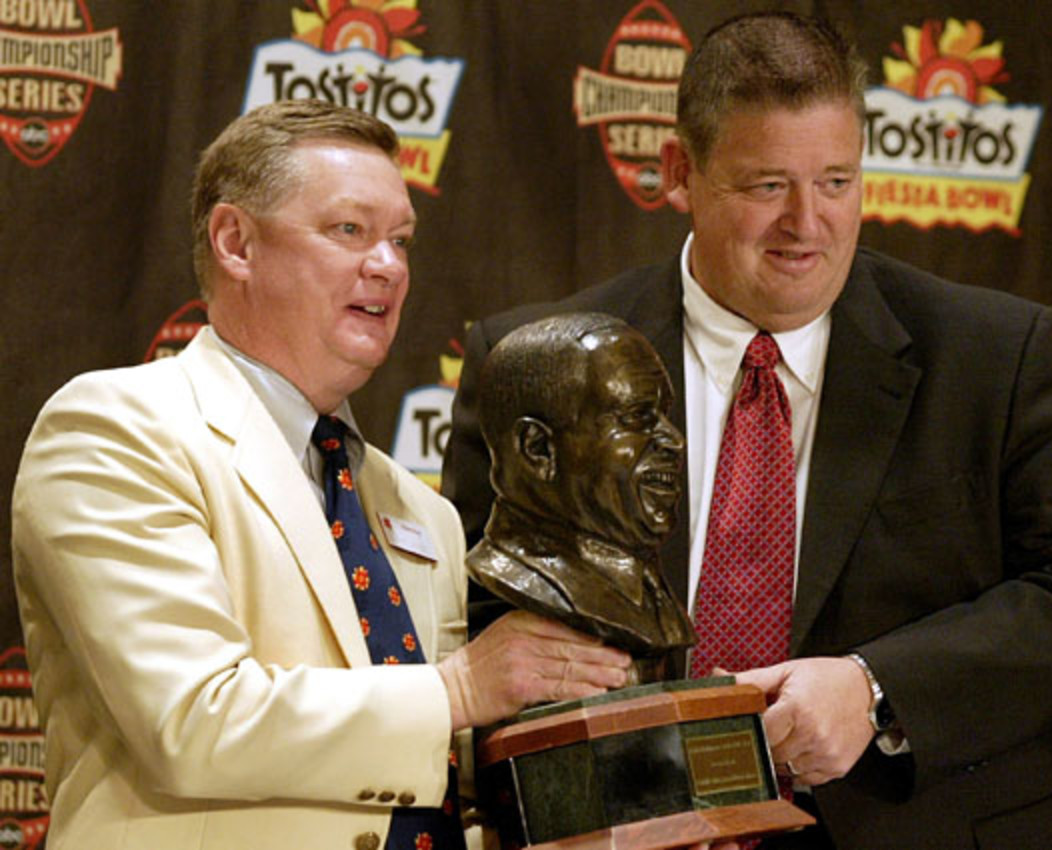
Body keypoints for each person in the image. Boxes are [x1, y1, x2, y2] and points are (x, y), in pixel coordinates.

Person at [441, 12, 1052, 850]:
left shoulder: (993, 354)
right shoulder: (540, 361)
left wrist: (876, 688)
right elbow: (480, 623)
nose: (807, 225)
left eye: (837, 182)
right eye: (767, 185)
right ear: (680, 172)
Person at [10, 99, 632, 850]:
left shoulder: (415, 508)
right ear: (236, 242)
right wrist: (460, 687)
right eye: (349, 230)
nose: (389, 265)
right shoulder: (117, 431)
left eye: (401, 239)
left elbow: (439, 776)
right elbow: (193, 721)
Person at [467, 312, 694, 683]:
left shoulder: (647, 591)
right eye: (637, 417)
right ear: (538, 449)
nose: (673, 440)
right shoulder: (518, 580)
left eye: (663, 413)